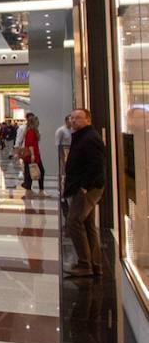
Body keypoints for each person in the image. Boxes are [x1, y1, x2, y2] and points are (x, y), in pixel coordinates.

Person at [63, 108, 106, 278]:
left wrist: (84, 186)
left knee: (73, 221)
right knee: (88, 225)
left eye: (78, 118)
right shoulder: (83, 136)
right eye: (72, 118)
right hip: (85, 186)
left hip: (87, 188)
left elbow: (96, 165)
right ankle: (95, 264)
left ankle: (84, 264)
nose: (74, 121)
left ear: (87, 120)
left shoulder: (89, 138)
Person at [21, 114, 45, 193]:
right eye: (37, 122)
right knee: (39, 171)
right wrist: (33, 154)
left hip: (32, 154)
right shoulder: (31, 131)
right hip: (32, 154)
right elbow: (30, 144)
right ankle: (38, 189)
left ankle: (29, 188)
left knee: (29, 171)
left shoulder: (31, 131)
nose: (38, 123)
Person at [56, 115, 74, 211]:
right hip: (64, 153)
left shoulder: (72, 130)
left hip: (71, 153)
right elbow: (58, 145)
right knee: (63, 172)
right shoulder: (61, 131)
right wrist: (61, 156)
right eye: (70, 120)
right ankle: (62, 189)